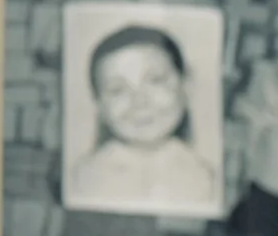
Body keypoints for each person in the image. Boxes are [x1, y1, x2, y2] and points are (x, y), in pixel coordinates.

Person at [65, 23, 221, 214]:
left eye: (155, 80)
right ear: (99, 106)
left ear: (187, 85)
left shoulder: (205, 178)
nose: (140, 101)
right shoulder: (83, 179)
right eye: (117, 90)